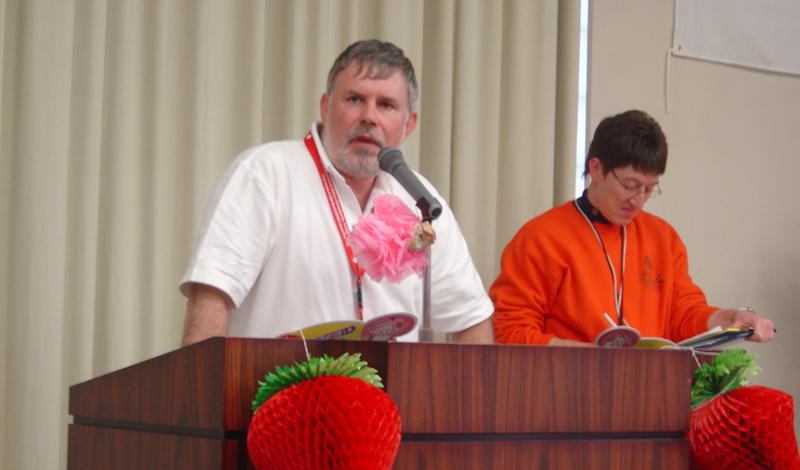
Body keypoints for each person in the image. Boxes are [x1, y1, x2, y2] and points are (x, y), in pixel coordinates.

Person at [180, 39, 493, 346]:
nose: (369, 116)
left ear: (408, 124)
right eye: (355, 99)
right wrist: (200, 383)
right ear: (325, 107)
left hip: (390, 383)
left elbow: (470, 317)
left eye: (386, 105)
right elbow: (212, 295)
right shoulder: (265, 173)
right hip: (275, 381)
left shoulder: (420, 199)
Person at [489, 109, 774, 347]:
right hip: (566, 387)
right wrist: (585, 356)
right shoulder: (542, 237)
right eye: (630, 185)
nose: (638, 200)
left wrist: (730, 319)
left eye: (649, 189)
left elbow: (684, 314)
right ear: (596, 169)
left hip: (647, 387)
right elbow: (509, 330)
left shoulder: (663, 238)